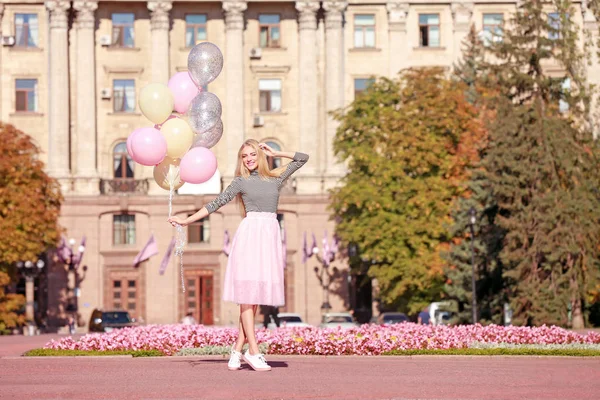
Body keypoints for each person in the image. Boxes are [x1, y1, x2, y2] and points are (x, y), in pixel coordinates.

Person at [168, 140, 308, 372]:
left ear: (261, 155)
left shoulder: (276, 177)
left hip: (269, 236)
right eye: (245, 156)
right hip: (250, 236)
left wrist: (276, 152)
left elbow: (303, 158)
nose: (249, 159)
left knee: (253, 301)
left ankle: (236, 349)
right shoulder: (240, 182)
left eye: (253, 154)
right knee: (247, 298)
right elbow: (216, 203)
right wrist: (186, 220)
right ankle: (253, 351)